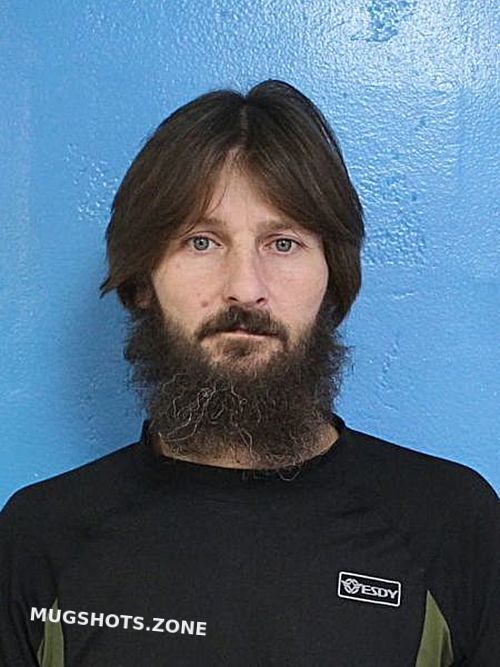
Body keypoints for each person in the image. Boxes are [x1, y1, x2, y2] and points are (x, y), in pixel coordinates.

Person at [0, 79, 498, 667]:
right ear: (142, 281)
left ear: (332, 280)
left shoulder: (450, 524)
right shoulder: (41, 539)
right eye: (201, 241)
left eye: (283, 243)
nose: (245, 287)